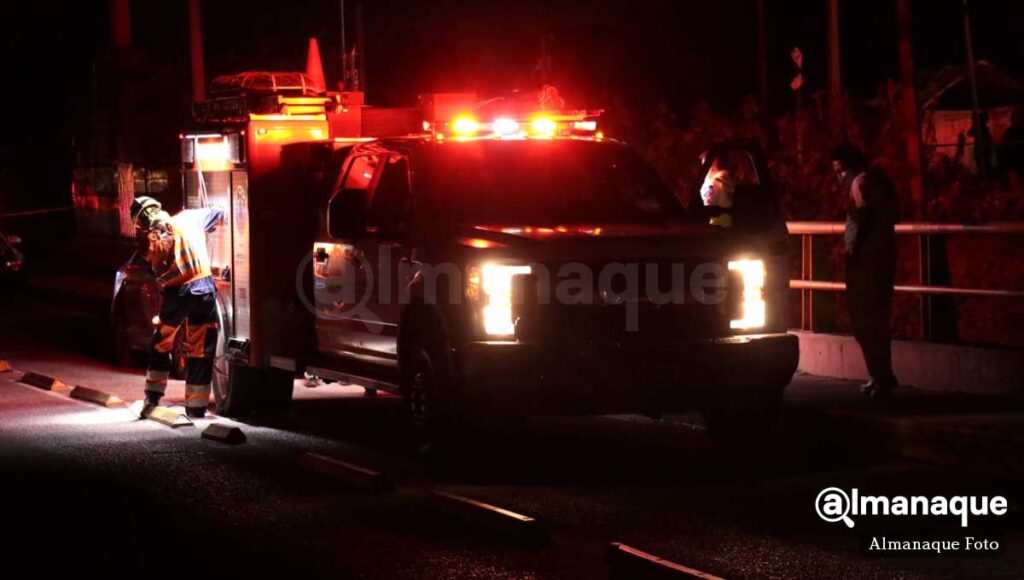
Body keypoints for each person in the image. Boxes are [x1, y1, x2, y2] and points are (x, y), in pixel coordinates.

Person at [130, 196, 225, 418]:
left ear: (141, 223)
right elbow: (218, 212)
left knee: (161, 342)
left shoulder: (147, 243)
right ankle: (196, 407)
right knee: (200, 349)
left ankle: (152, 397)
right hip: (204, 289)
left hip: (176, 294)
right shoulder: (188, 218)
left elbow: (146, 269)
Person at [831, 144, 900, 399]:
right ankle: (882, 375)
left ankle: (880, 377)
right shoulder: (880, 181)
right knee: (878, 320)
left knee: (864, 323)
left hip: (866, 263)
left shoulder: (860, 183)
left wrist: (854, 252)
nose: (839, 177)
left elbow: (864, 217)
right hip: (883, 258)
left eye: (839, 170)